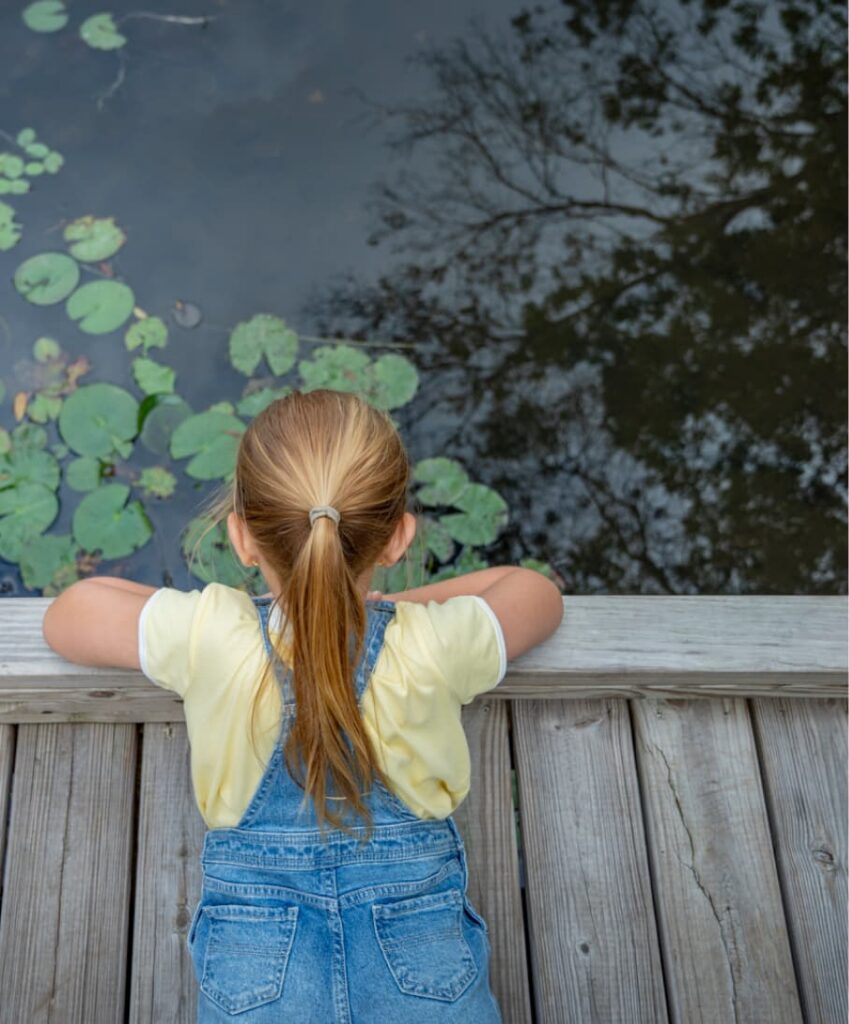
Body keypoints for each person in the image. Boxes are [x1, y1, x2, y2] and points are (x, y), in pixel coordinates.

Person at [41, 387, 564, 1022]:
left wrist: (234, 607)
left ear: (241, 537)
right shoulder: (433, 643)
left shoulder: (211, 635)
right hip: (421, 959)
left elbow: (72, 612)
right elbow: (535, 592)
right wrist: (385, 609)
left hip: (257, 963)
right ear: (398, 538)